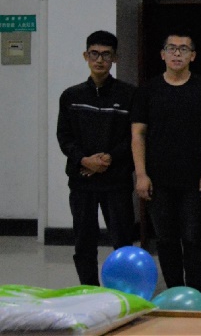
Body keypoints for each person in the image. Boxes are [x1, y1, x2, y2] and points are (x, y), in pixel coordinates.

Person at [131, 31, 201, 293]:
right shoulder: (147, 90)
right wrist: (141, 174)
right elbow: (138, 134)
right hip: (158, 179)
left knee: (194, 237)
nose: (177, 53)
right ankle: (174, 291)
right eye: (171, 48)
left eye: (183, 49)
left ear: (193, 56)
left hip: (195, 178)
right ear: (163, 54)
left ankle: (193, 292)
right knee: (165, 238)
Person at [57, 30, 136, 287]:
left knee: (122, 240)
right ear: (85, 56)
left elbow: (134, 137)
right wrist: (84, 160)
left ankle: (124, 291)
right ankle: (88, 290)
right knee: (84, 241)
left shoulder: (129, 95)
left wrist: (108, 159)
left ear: (115, 58)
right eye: (94, 54)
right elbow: (64, 137)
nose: (100, 60)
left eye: (106, 54)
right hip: (82, 180)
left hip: (117, 181)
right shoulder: (71, 96)